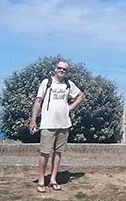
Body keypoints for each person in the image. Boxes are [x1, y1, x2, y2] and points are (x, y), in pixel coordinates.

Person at [28, 60, 85, 192]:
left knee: (58, 153)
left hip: (63, 124)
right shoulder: (46, 82)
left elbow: (81, 96)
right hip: (48, 123)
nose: (61, 70)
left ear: (67, 71)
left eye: (64, 69)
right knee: (45, 153)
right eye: (59, 68)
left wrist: (70, 107)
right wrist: (33, 120)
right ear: (55, 69)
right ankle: (41, 180)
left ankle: (53, 179)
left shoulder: (68, 84)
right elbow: (38, 102)